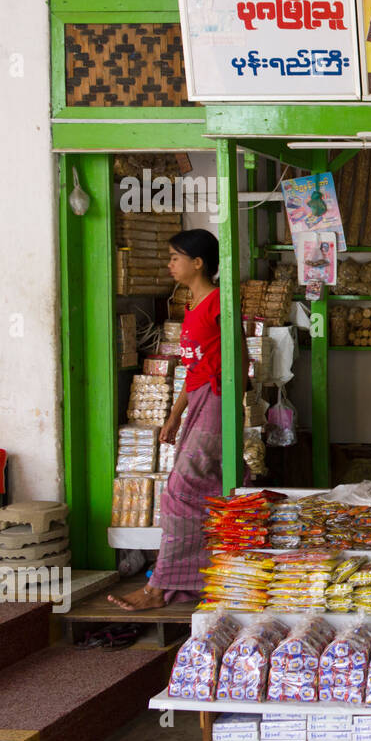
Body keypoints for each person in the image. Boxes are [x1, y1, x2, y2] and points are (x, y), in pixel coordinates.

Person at [109, 229, 224, 610]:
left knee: (179, 492)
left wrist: (229, 405)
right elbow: (192, 371)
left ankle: (160, 587)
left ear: (198, 262)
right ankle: (201, 580)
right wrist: (174, 415)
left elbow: (239, 361)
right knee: (199, 495)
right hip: (198, 403)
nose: (169, 264)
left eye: (176, 257)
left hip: (218, 403)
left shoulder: (219, 304)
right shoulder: (193, 308)